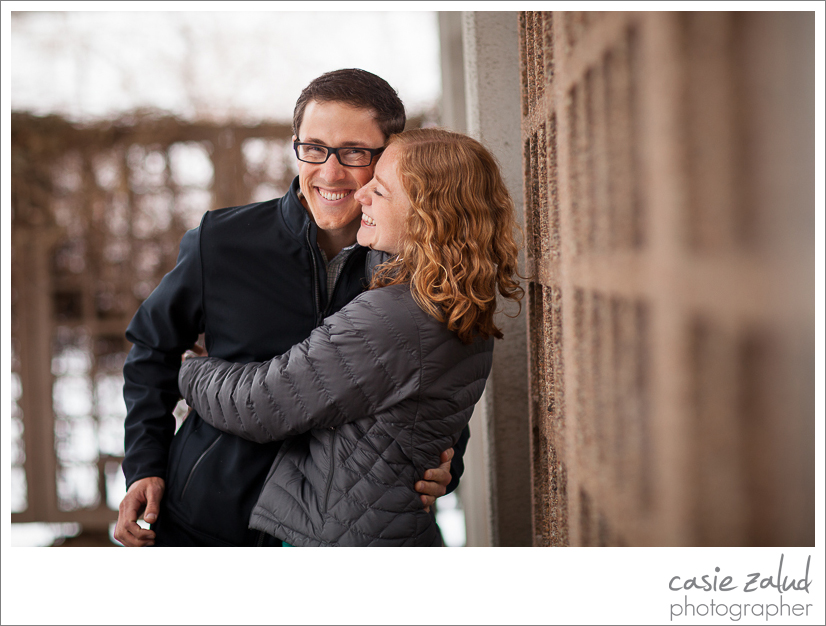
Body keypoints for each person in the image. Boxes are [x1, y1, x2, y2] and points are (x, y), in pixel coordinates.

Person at [115, 70, 465, 547]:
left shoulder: (413, 265)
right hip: (211, 522)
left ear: (390, 156)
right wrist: (145, 464)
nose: (330, 172)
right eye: (315, 147)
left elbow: (437, 381)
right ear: (296, 145)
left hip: (342, 535)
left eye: (355, 152)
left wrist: (445, 460)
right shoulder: (221, 242)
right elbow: (152, 349)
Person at [177, 128, 523, 546]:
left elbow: (260, 404)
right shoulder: (456, 301)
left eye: (380, 189)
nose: (362, 195)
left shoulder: (393, 318)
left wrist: (190, 368)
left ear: (426, 213)